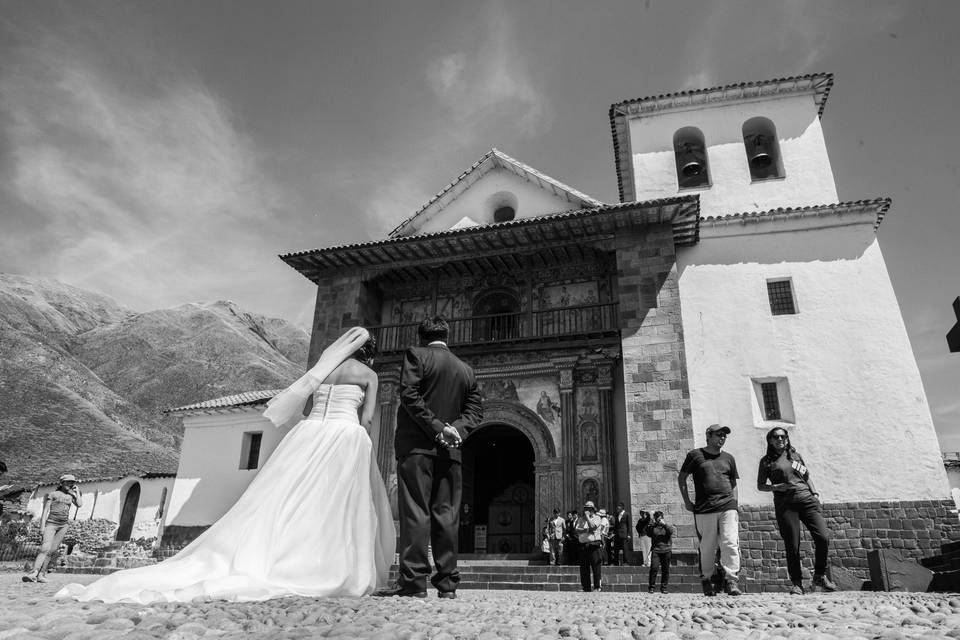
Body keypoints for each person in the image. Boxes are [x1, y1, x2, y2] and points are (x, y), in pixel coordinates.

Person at [58, 327, 395, 603]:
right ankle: (322, 561)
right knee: (338, 503)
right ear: (369, 354)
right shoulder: (368, 375)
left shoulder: (323, 372)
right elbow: (366, 419)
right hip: (345, 435)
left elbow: (305, 408)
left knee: (282, 499)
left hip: (308, 435)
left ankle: (272, 554)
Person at [377, 316, 482, 599]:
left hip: (417, 447)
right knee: (447, 515)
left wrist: (437, 428)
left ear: (421, 337)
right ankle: (447, 584)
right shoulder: (466, 370)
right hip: (451, 451)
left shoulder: (416, 355)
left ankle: (413, 583)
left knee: (416, 512)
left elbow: (409, 395)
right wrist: (453, 431)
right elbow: (475, 412)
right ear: (447, 336)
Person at [757, 427, 837, 594]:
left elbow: (806, 476)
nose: (780, 439)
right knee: (792, 545)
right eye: (776, 437)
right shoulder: (767, 462)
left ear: (787, 439)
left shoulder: (794, 457)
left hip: (807, 501)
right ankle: (797, 583)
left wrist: (814, 494)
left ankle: (820, 576)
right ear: (770, 440)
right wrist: (777, 487)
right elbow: (760, 485)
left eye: (783, 436)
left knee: (823, 537)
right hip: (785, 505)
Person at [678, 423, 742, 596]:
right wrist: (687, 501)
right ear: (709, 436)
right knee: (707, 546)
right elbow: (682, 478)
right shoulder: (695, 455)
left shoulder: (729, 458)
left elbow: (733, 483)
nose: (722, 438)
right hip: (705, 508)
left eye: (724, 435)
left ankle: (731, 580)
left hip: (727, 506)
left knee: (730, 542)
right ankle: (706, 579)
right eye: (719, 434)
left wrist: (735, 504)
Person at [23, 474, 82, 583]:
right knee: (45, 548)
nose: (71, 484)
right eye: (68, 482)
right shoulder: (53, 494)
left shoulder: (71, 496)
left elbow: (79, 504)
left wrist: (76, 492)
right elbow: (45, 511)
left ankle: (41, 575)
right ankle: (34, 573)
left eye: (72, 482)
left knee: (51, 551)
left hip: (63, 526)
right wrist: (42, 527)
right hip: (51, 524)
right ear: (62, 483)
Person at [574, 501, 604, 592]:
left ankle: (597, 587)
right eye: (585, 508)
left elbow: (593, 527)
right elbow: (577, 530)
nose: (587, 510)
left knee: (596, 566)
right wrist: (587, 530)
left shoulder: (597, 518)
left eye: (589, 509)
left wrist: (587, 518)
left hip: (593, 545)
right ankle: (586, 587)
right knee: (584, 568)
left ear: (593, 510)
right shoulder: (580, 519)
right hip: (583, 545)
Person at [645, 511, 675, 593]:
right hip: (656, 550)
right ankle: (651, 587)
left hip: (666, 550)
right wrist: (650, 524)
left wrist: (664, 525)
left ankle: (664, 587)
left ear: (662, 518)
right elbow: (648, 533)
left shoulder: (667, 526)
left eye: (660, 518)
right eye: (657, 518)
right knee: (654, 568)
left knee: (665, 570)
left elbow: (671, 532)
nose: (658, 520)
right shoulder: (653, 527)